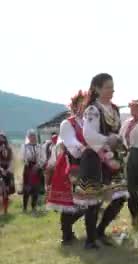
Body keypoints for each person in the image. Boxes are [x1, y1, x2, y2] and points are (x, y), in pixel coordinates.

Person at [74, 73, 128, 249]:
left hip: (112, 157)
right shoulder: (92, 109)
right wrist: (107, 141)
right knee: (94, 200)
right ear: (97, 89)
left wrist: (119, 144)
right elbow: (88, 135)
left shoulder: (114, 109)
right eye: (107, 87)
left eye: (112, 86)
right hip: (94, 159)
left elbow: (117, 132)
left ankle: (100, 230)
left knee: (120, 197)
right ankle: (90, 240)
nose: (112, 90)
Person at [46, 90, 88, 245]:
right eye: (81, 104)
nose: (84, 107)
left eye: (86, 104)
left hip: (85, 163)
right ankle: (66, 234)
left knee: (86, 201)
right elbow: (71, 143)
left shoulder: (88, 123)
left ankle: (68, 230)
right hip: (70, 164)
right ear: (75, 105)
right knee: (69, 202)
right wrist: (86, 147)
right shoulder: (67, 123)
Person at [21, 130, 44, 213]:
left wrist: (38, 165)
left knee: (36, 188)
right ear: (28, 137)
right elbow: (22, 157)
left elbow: (43, 158)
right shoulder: (25, 146)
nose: (33, 138)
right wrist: (27, 161)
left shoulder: (39, 146)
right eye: (31, 136)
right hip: (28, 167)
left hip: (37, 168)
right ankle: (24, 207)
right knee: (27, 188)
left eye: (34, 136)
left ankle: (33, 207)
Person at [0, 133, 15, 214]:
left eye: (3, 139)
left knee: (7, 190)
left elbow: (11, 160)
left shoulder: (9, 149)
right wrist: (1, 169)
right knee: (2, 189)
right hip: (0, 169)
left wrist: (8, 169)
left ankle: (5, 209)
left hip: (7, 170)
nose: (1, 141)